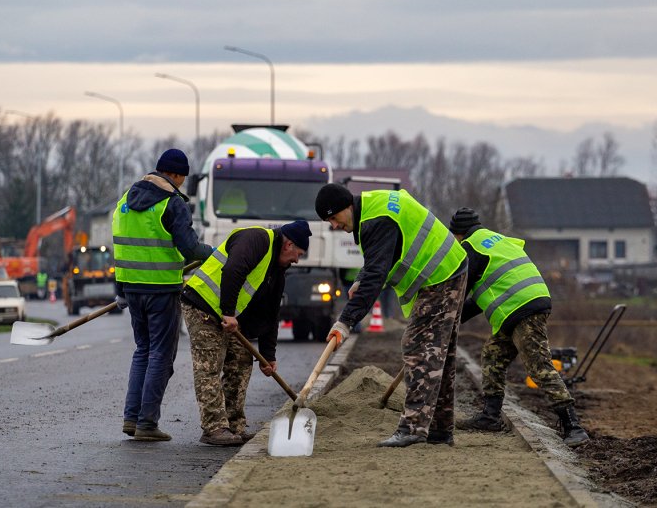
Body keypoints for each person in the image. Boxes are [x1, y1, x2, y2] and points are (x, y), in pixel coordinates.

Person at [316, 183, 467, 447]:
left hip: (440, 275)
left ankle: (413, 428)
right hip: (450, 268)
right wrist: (360, 280)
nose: (334, 226)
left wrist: (345, 322)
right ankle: (441, 431)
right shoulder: (373, 206)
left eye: (333, 218)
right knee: (440, 354)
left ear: (346, 207)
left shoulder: (377, 220)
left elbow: (377, 275)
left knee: (419, 347)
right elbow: (378, 260)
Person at [447, 207, 589, 446]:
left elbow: (460, 290)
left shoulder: (470, 248)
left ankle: (574, 426)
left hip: (523, 308)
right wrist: (457, 317)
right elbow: (481, 295)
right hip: (517, 307)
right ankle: (490, 416)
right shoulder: (496, 240)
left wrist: (446, 315)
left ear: (458, 234)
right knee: (493, 356)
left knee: (539, 366)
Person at [181, 220, 311, 446]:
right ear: (288, 244)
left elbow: (271, 314)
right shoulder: (256, 239)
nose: (296, 260)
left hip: (227, 316)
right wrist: (229, 312)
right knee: (209, 367)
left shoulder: (277, 270)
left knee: (241, 362)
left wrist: (268, 356)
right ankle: (214, 428)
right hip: (202, 305)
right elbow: (233, 270)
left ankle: (234, 426)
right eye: (297, 253)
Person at [113, 148, 213, 442]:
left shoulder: (125, 201)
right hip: (162, 291)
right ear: (177, 175)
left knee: (142, 350)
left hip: (132, 289)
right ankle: (147, 423)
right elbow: (191, 249)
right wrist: (215, 254)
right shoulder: (172, 204)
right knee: (160, 353)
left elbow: (121, 247)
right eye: (182, 178)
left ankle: (131, 418)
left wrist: (120, 288)